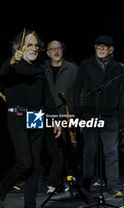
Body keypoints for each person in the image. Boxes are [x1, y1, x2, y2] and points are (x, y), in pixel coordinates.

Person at [0, 30, 61, 208]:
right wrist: (13, 60)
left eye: (36, 45)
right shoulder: (13, 66)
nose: (34, 48)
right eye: (29, 45)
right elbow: (2, 72)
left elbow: (47, 97)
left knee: (35, 166)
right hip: (18, 115)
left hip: (36, 116)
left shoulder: (40, 69)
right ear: (20, 47)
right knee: (25, 162)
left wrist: (55, 119)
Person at [74, 35, 124, 198]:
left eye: (104, 47)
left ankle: (112, 186)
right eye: (98, 46)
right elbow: (77, 91)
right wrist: (78, 117)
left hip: (110, 116)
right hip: (90, 113)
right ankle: (86, 185)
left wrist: (122, 120)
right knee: (89, 150)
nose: (100, 49)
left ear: (111, 50)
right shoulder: (86, 65)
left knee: (111, 152)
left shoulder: (119, 68)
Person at [43, 40, 78, 194]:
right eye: (53, 49)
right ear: (48, 52)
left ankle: (53, 182)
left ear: (62, 51)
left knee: (61, 147)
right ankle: (65, 177)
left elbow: (77, 93)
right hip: (44, 113)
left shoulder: (72, 69)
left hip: (65, 112)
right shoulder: (42, 69)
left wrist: (75, 114)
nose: (56, 52)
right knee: (49, 149)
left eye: (58, 49)